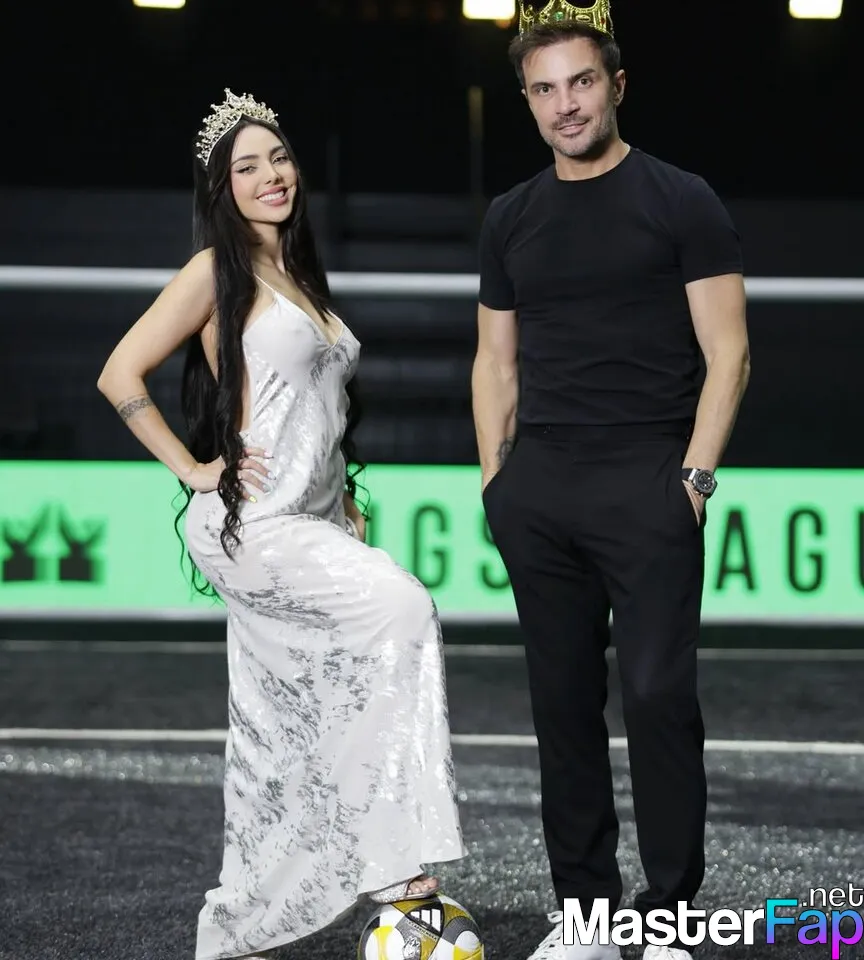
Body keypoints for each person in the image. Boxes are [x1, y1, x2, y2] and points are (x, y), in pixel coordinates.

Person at [97, 88, 465, 960]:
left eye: (280, 158)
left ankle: (244, 925)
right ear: (222, 189)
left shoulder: (299, 277)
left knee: (281, 726)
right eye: (247, 166)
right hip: (250, 522)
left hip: (310, 518)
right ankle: (401, 880)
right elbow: (119, 373)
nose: (272, 175)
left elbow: (314, 410)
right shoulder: (213, 271)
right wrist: (193, 468)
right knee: (403, 609)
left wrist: (340, 500)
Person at [471, 3, 750, 959]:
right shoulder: (510, 217)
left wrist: (694, 479)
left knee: (659, 698)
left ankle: (667, 916)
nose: (565, 104)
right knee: (562, 709)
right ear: (528, 101)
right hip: (541, 486)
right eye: (544, 89)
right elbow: (494, 362)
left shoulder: (681, 200)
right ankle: (585, 916)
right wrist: (496, 481)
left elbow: (729, 354)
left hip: (649, 478)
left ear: (617, 85)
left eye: (581, 82)